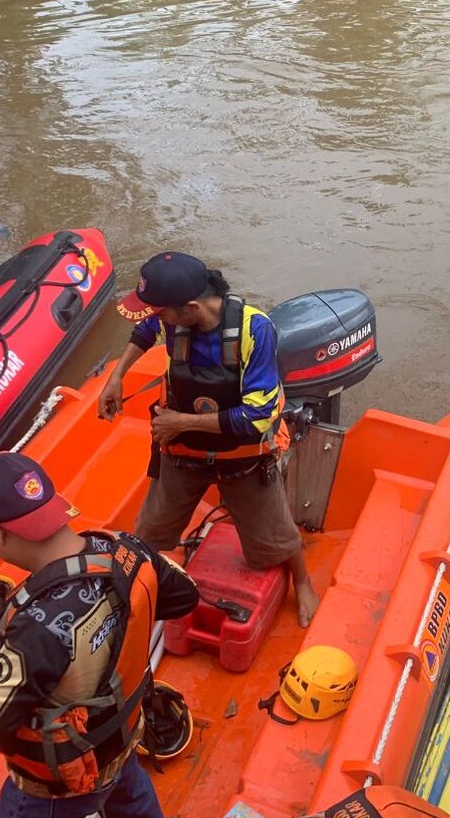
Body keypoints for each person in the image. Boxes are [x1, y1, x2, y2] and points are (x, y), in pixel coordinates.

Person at [0, 452, 200, 818]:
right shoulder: (128, 549)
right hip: (121, 738)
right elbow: (183, 596)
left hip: (58, 784)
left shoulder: (34, 629)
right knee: (134, 808)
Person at [97, 251, 321, 626]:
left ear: (191, 309)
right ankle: (134, 594)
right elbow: (145, 330)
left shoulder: (256, 331)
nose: (159, 319)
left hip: (243, 460)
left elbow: (257, 416)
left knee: (276, 539)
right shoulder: (172, 319)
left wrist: (180, 422)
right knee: (149, 531)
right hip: (182, 454)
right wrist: (116, 377)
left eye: (162, 313)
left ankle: (303, 582)